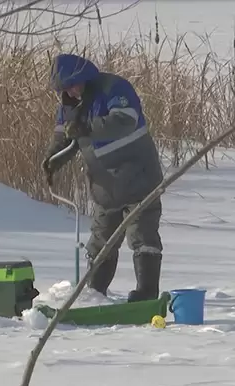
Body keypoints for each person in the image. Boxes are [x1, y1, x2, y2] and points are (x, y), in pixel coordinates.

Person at [41, 53, 164, 303]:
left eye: (73, 85)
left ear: (84, 77)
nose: (71, 92)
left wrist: (88, 128)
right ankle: (94, 295)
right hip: (105, 187)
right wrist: (52, 160)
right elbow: (63, 139)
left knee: (142, 236)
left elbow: (125, 120)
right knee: (101, 242)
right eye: (65, 89)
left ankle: (146, 293)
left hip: (140, 178)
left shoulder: (114, 88)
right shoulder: (67, 107)